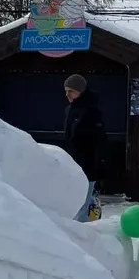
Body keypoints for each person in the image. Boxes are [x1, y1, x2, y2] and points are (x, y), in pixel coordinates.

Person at [62, 74, 107, 222]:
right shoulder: (70, 110)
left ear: (81, 91)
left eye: (71, 91)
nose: (67, 94)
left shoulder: (92, 112)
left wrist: (98, 168)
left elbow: (99, 141)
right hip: (72, 165)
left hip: (87, 166)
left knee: (82, 204)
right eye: (66, 90)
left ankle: (80, 236)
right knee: (73, 203)